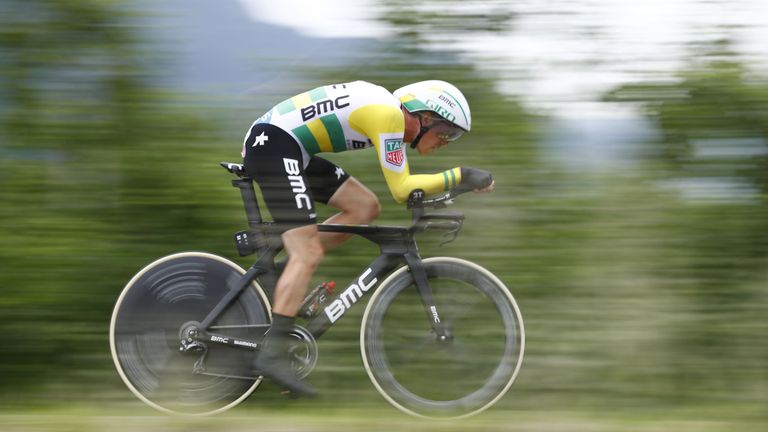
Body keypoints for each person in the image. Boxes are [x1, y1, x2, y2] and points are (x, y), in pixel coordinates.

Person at [241, 80, 494, 397]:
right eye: (448, 132)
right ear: (426, 117)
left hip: (289, 148)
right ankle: (273, 353)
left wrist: (450, 187)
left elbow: (405, 187)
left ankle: (284, 271)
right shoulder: (387, 115)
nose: (448, 141)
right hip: (274, 145)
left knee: (364, 207)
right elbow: (402, 190)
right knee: (308, 254)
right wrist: (462, 175)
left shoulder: (391, 120)